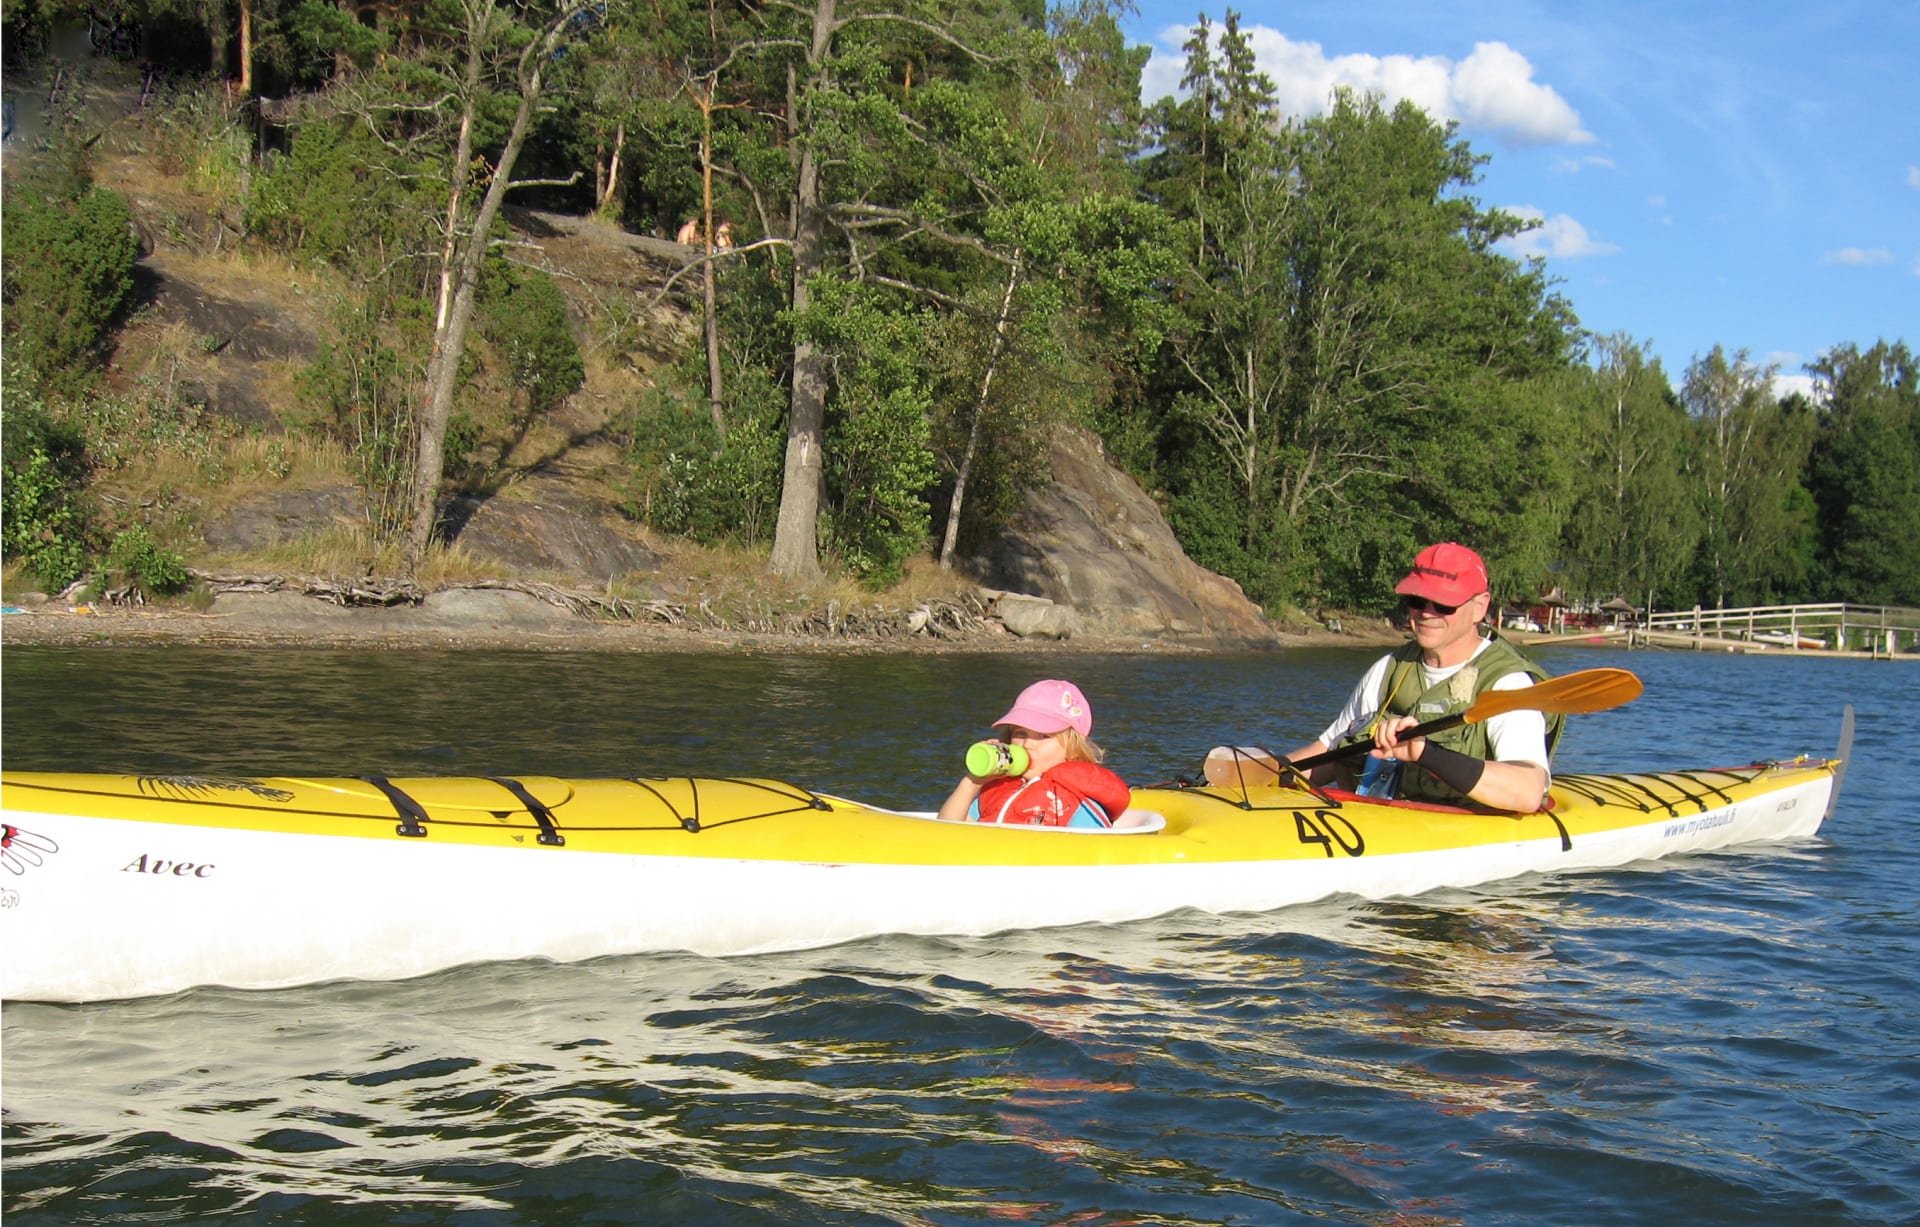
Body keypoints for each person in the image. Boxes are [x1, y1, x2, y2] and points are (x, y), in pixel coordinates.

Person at [1286, 542, 1557, 812]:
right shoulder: (1389, 669)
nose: (1427, 613)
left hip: (1465, 838)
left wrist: (1425, 753)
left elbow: (1527, 791)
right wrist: (1261, 773)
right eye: (1417, 600)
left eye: (1443, 604)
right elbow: (1327, 752)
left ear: (1479, 607)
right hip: (1382, 825)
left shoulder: (1508, 683)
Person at [936, 679, 1132, 828]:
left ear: (1073, 750)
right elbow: (946, 831)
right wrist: (972, 782)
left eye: (1043, 736)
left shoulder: (1077, 801)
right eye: (1021, 733)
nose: (1027, 743)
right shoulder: (996, 789)